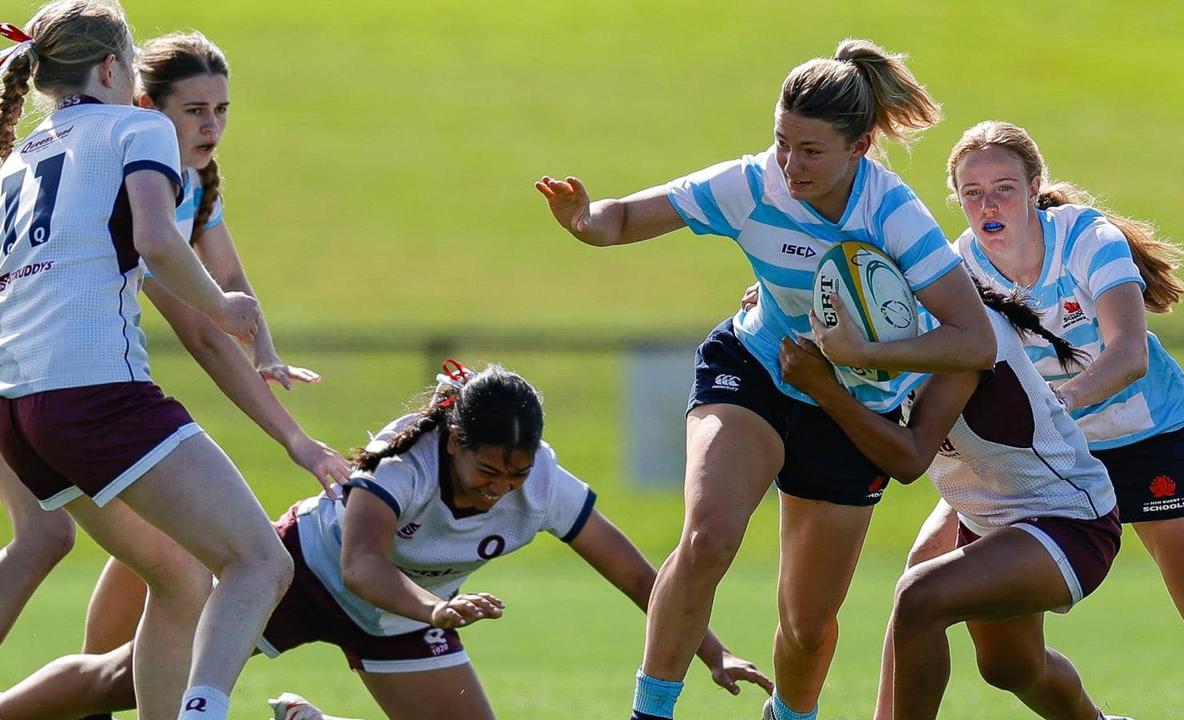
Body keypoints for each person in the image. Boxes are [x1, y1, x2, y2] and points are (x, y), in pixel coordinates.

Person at [537, 38, 996, 720]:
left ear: (861, 146)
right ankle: (649, 712)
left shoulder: (893, 216)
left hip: (849, 413)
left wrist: (858, 353)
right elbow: (628, 216)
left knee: (807, 626)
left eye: (811, 150)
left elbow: (976, 342)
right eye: (783, 142)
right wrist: (585, 220)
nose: (791, 163)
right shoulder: (754, 185)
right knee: (708, 536)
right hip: (755, 369)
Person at [0, 363, 773, 720]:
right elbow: (362, 563)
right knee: (118, 685)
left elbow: (641, 577)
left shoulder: (543, 486)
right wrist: (433, 613)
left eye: (514, 474)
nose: (497, 488)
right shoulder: (406, 464)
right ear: (454, 438)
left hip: (405, 618)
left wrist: (711, 650)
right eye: (485, 469)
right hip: (304, 574)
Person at [874, 119, 1184, 718]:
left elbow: (1128, 356)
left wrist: (1058, 408)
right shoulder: (958, 266)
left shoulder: (1087, 239)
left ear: (1036, 186)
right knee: (995, 655)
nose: (988, 204)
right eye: (972, 191)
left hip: (1140, 444)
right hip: (1040, 459)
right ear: (956, 198)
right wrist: (787, 306)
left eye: (1005, 188)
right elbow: (878, 298)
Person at [0, 4, 293, 719]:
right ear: (110, 71)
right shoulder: (140, 128)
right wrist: (226, 309)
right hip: (93, 393)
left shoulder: (20, 158)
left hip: (15, 407)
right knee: (261, 563)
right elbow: (160, 241)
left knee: (179, 577)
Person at [780, 285, 1130, 720]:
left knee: (919, 597)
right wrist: (778, 303)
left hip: (1068, 519)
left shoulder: (968, 335)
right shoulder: (892, 327)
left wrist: (825, 390)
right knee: (1012, 669)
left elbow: (909, 459)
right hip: (989, 520)